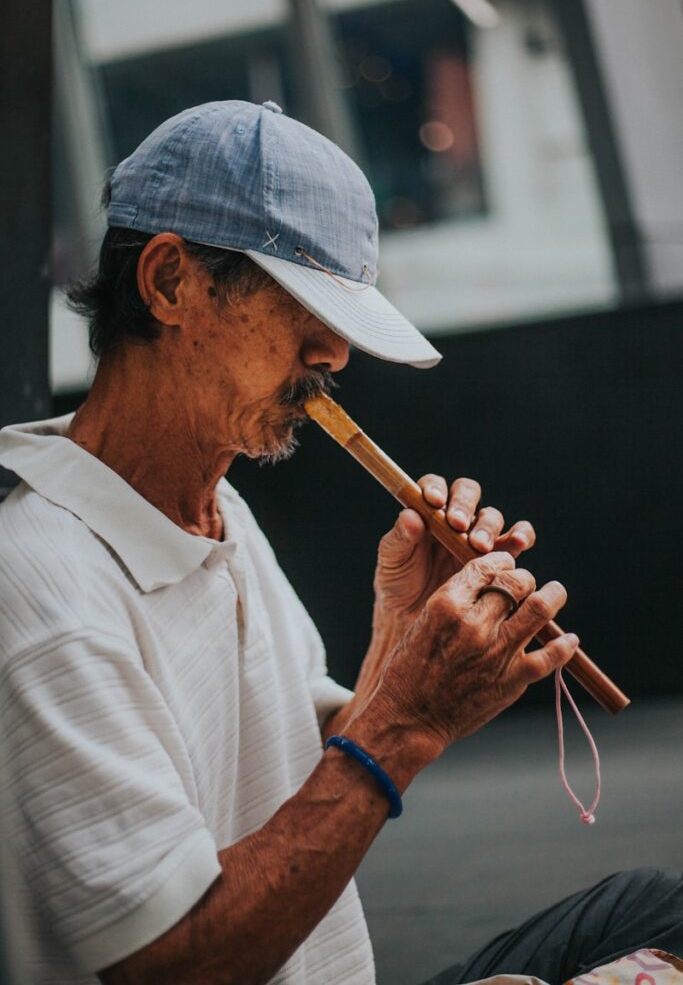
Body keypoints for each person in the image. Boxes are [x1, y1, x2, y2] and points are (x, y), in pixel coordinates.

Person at [0, 101, 680, 985]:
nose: (335, 352)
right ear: (170, 283)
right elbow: (172, 968)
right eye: (301, 306)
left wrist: (403, 647)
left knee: (656, 906)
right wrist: (404, 724)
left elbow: (305, 769)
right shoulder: (42, 591)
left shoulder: (218, 514)